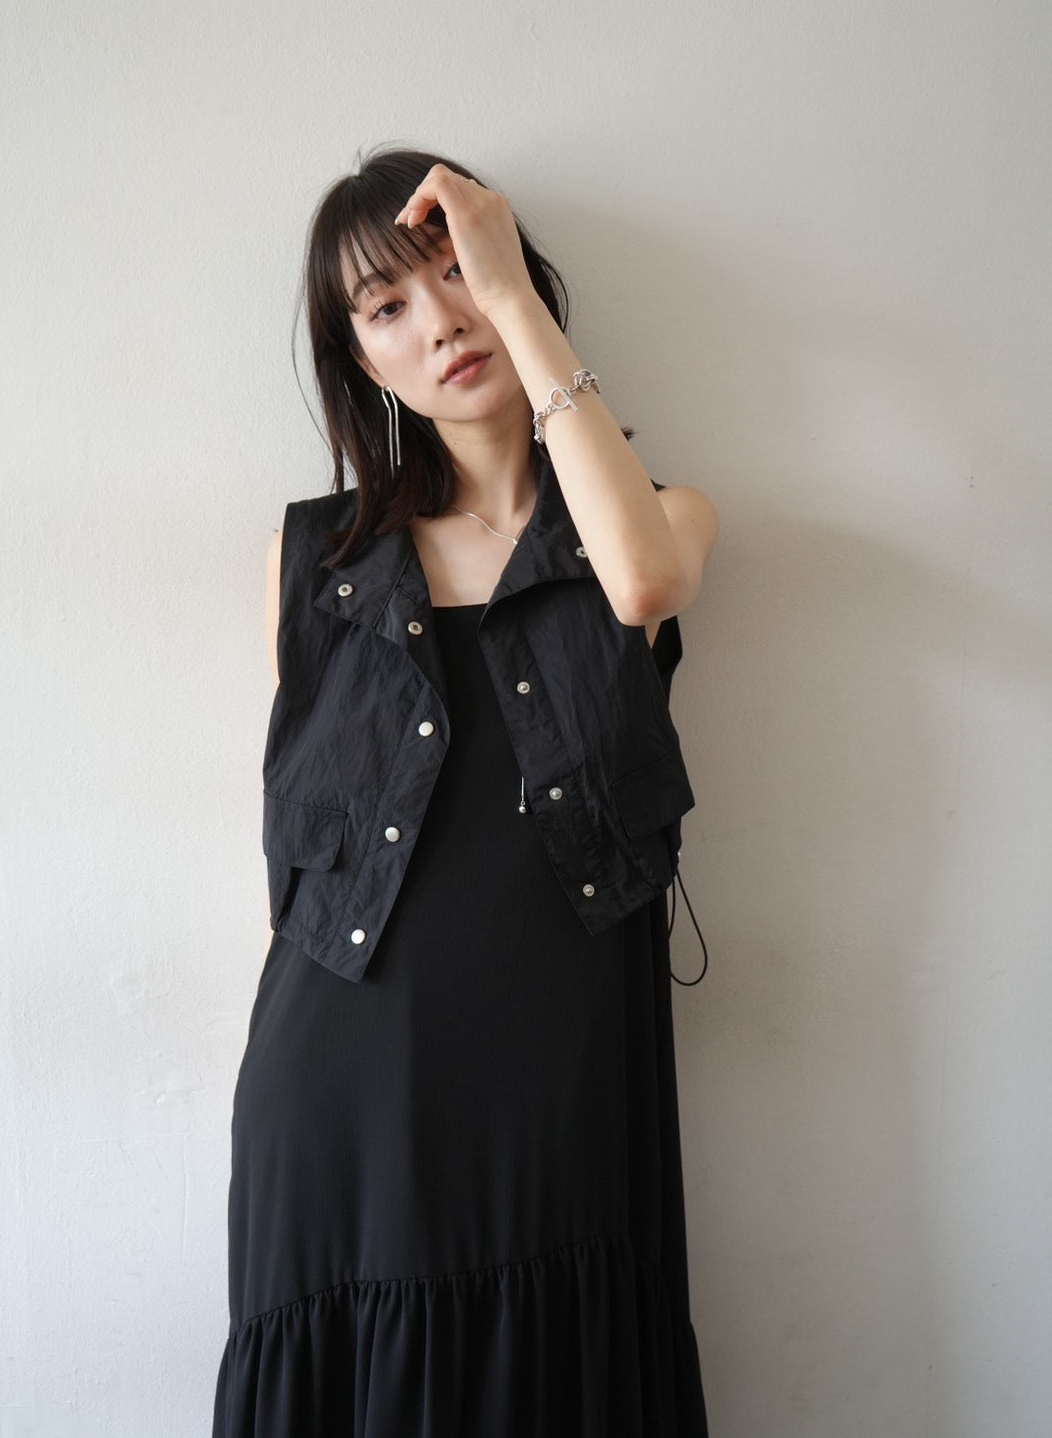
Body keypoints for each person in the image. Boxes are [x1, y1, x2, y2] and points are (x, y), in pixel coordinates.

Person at [212, 144, 719, 1437]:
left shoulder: (658, 517)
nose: (439, 322)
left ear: (511, 276)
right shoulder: (312, 560)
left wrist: (516, 305)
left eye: (455, 273)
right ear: (361, 361)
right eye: (387, 307)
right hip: (338, 1091)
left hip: (560, 1087)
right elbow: (299, 877)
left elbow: (641, 588)